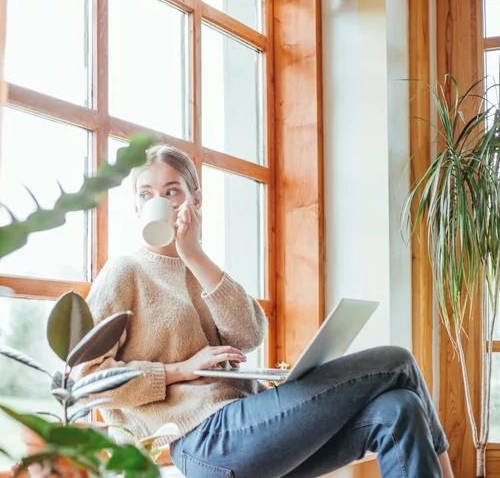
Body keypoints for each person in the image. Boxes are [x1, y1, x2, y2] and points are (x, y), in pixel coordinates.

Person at [75, 145, 453, 478]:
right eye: (148, 193)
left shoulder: (200, 266)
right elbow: (86, 380)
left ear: (194, 199)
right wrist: (179, 371)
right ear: (137, 206)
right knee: (396, 360)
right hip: (204, 440)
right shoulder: (126, 272)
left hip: (248, 426)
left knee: (398, 408)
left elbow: (250, 333)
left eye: (172, 190)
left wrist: (195, 256)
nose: (161, 201)